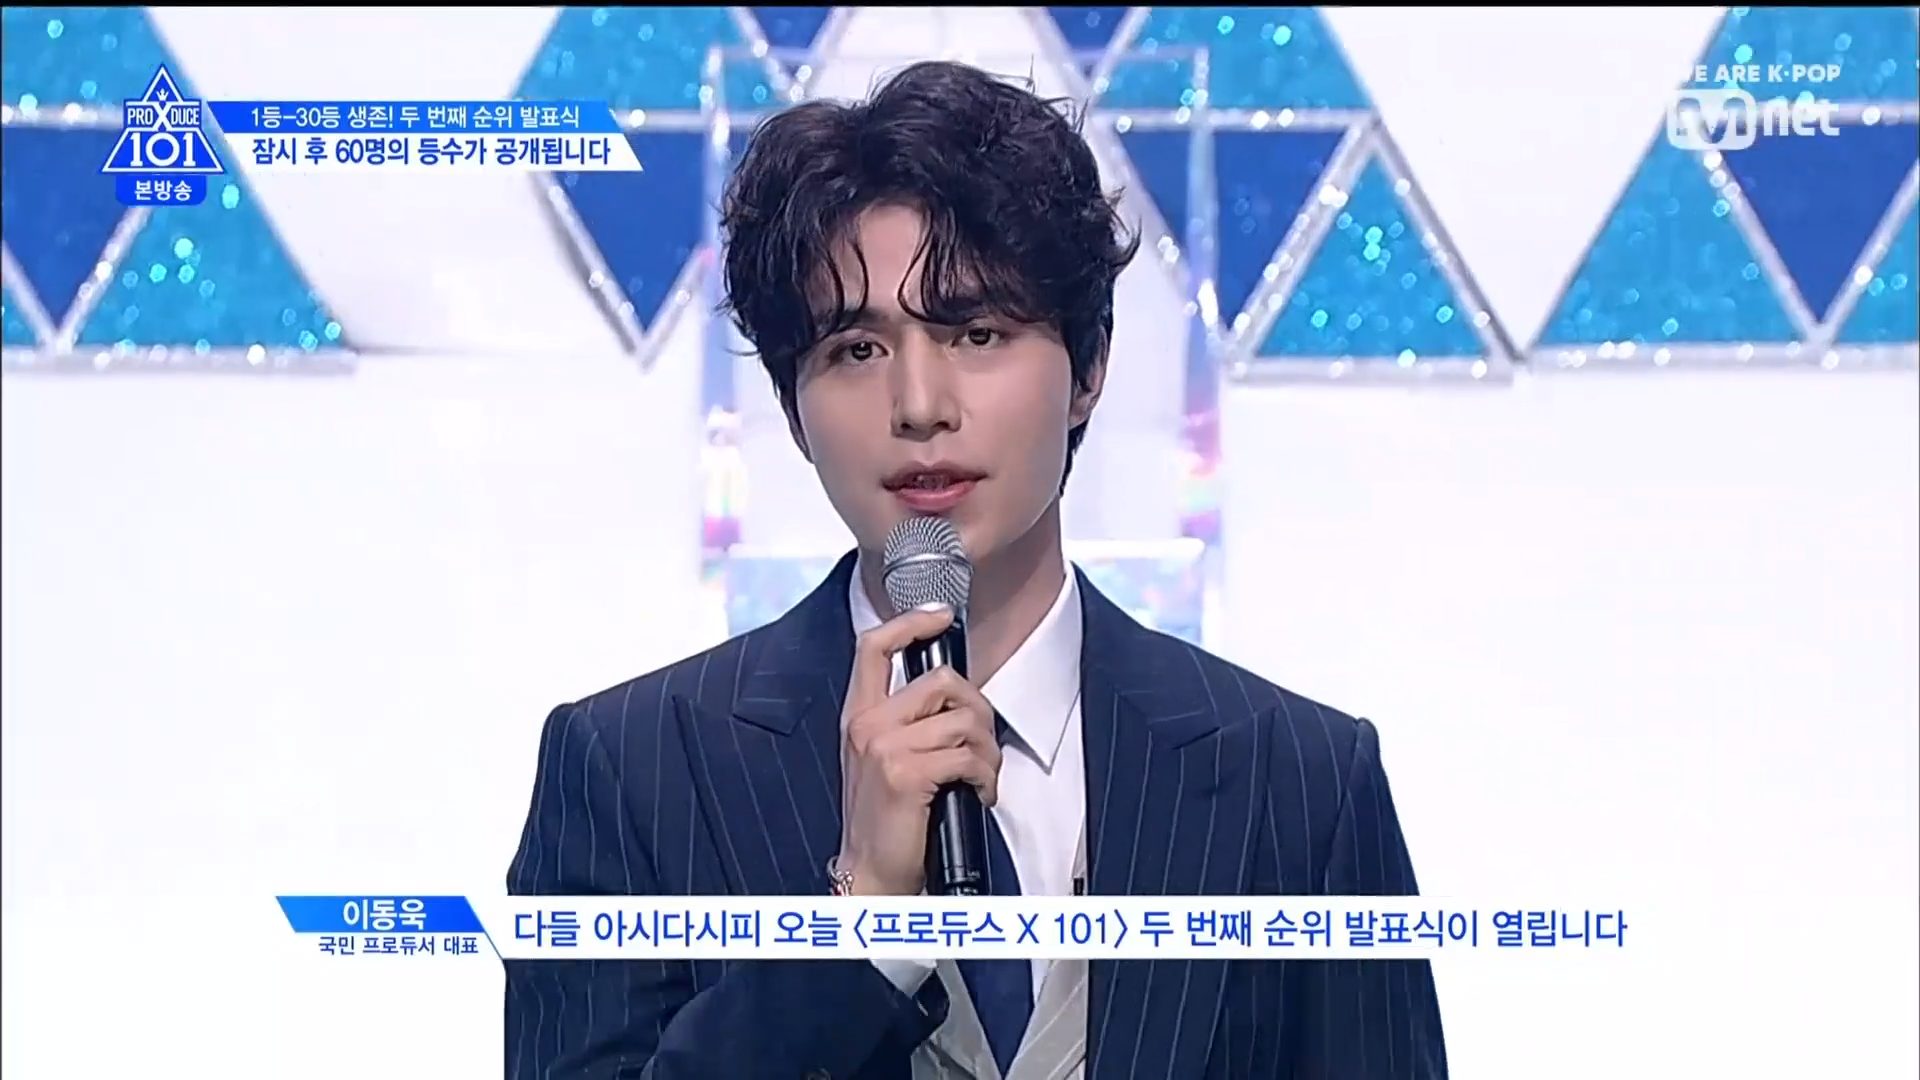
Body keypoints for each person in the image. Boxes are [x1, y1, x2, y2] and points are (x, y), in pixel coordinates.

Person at [505, 59, 1447, 1080]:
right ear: (792, 407)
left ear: (1088, 368)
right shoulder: (632, 771)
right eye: (856, 350)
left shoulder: (1300, 781)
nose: (920, 405)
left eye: (977, 333)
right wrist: (859, 925)